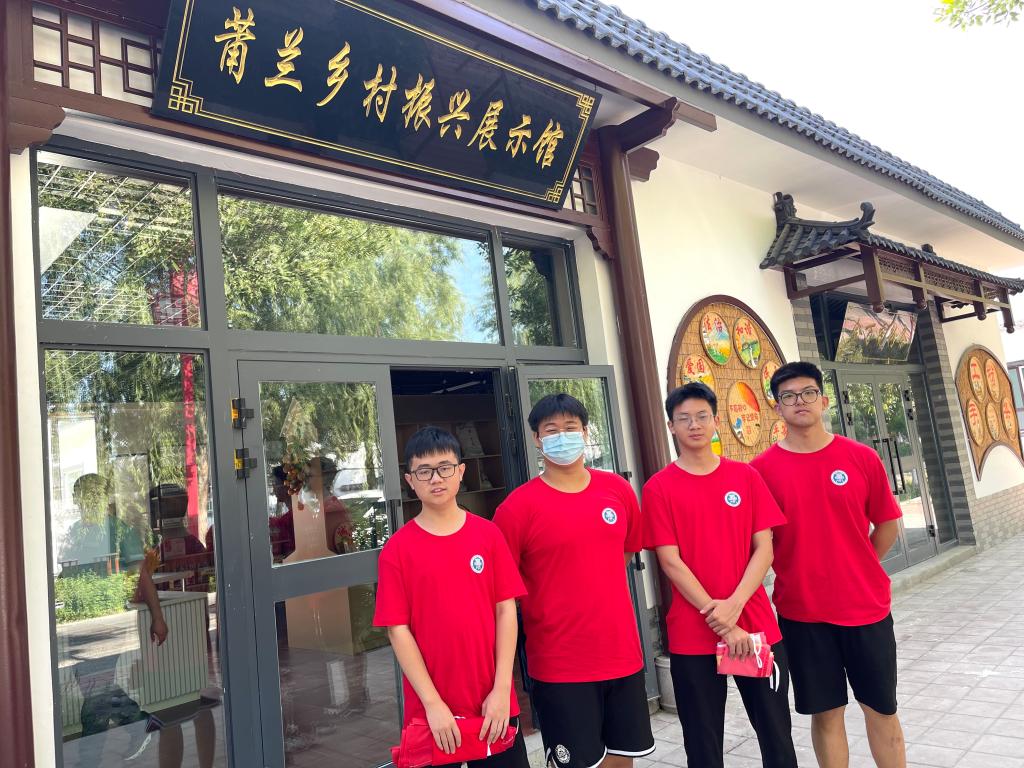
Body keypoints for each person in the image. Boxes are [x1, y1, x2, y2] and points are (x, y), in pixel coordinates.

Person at [751, 362, 906, 768]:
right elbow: (758, 543)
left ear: (823, 400)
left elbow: (887, 523)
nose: (799, 402)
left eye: (808, 393)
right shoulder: (761, 471)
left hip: (866, 608)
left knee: (881, 710)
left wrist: (859, 565)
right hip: (803, 614)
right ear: (777, 408)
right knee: (826, 714)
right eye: (788, 396)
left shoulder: (861, 457)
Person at [493, 394, 654, 768]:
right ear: (537, 439)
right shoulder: (516, 508)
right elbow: (504, 591)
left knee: (623, 758)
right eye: (551, 430)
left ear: (585, 433)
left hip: (621, 654)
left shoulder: (617, 490)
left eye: (570, 428)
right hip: (560, 664)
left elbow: (625, 552)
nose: (562, 436)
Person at [643, 383, 797, 768]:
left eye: (702, 416)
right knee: (703, 741)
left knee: (775, 732)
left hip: (754, 628)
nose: (694, 425)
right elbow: (670, 562)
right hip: (694, 635)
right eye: (684, 419)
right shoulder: (659, 488)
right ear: (671, 426)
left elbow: (765, 548)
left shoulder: (745, 477)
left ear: (715, 421)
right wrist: (725, 623)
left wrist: (735, 607)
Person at [373, 427, 529, 766]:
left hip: (493, 703)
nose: (436, 478)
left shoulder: (488, 535)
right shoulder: (398, 550)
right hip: (432, 713)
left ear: (461, 471)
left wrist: (502, 688)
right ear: (410, 480)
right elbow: (397, 630)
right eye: (424, 471)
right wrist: (432, 704)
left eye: (445, 467)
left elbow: (506, 611)